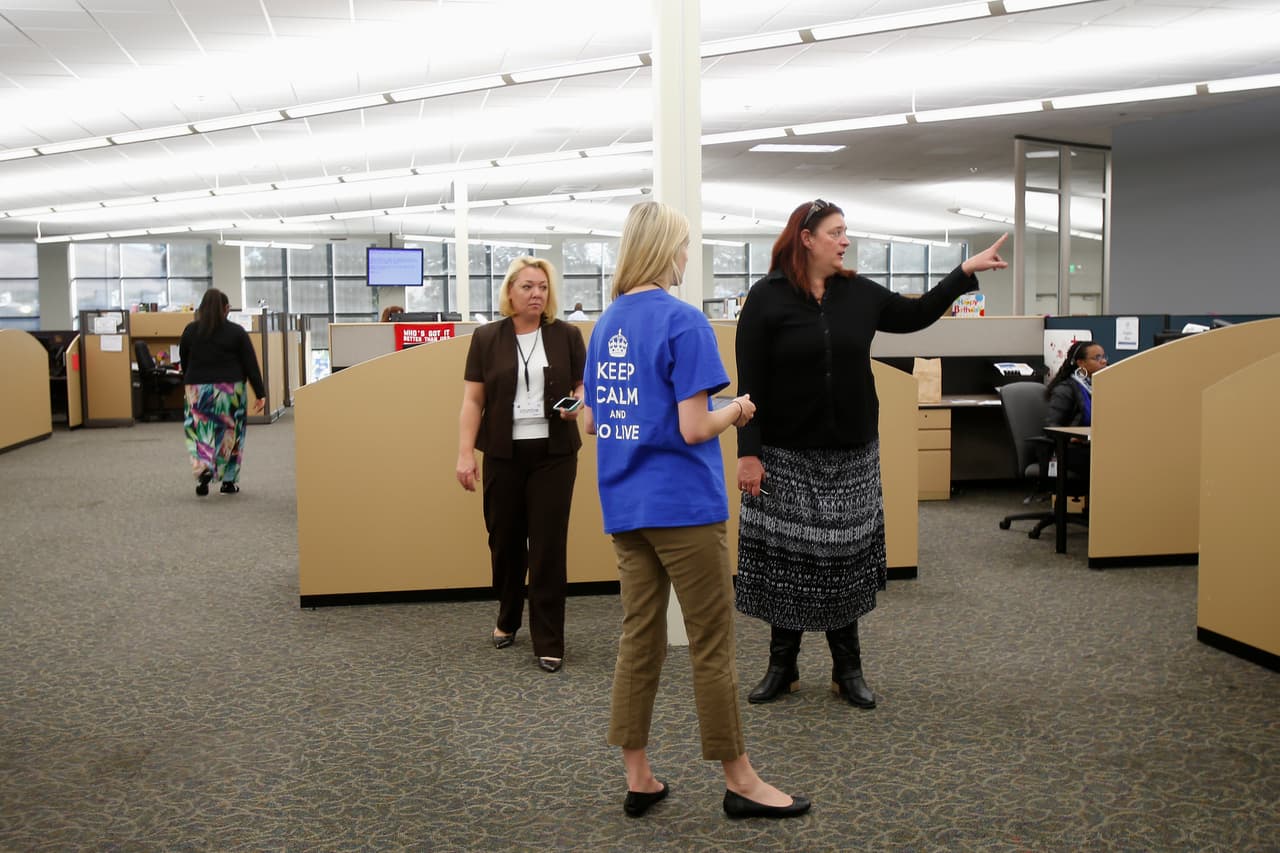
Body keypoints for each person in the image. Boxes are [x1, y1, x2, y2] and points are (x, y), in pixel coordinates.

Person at [734, 199, 1009, 709]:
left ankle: (847, 667)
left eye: (846, 232)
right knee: (789, 561)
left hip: (850, 451)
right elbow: (750, 385)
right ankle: (782, 665)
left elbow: (915, 314)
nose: (845, 241)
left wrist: (964, 272)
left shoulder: (857, 293)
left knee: (843, 558)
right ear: (806, 238)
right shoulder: (766, 298)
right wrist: (748, 454)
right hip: (785, 452)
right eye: (836, 232)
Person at [583, 201, 809, 820]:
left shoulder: (607, 326)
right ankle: (741, 780)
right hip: (683, 506)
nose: (688, 257)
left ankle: (640, 776)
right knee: (711, 643)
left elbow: (597, 420)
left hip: (626, 505)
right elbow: (692, 427)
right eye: (684, 246)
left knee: (640, 638)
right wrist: (737, 410)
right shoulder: (685, 323)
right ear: (665, 251)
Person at [456, 257, 585, 673]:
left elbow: (582, 386)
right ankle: (508, 613)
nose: (536, 295)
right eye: (528, 287)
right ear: (509, 292)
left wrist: (580, 403)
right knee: (504, 541)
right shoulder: (486, 338)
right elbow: (473, 401)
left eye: (543, 288)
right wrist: (464, 454)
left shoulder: (566, 335)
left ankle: (549, 639)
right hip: (503, 454)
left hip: (554, 454)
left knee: (548, 548)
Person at [179, 288, 267, 497]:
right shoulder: (236, 332)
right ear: (226, 309)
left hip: (197, 387)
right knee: (232, 432)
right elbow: (250, 364)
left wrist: (191, 381)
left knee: (198, 430)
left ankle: (204, 467)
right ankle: (228, 481)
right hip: (230, 388)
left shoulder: (190, 330)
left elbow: (184, 360)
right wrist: (260, 392)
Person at [1045, 340, 1106, 478]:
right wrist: (1072, 437)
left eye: (1103, 357)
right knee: (1107, 462)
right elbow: (1051, 427)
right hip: (1071, 450)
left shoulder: (1101, 387)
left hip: (1094, 445)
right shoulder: (1065, 390)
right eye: (1097, 358)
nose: (1103, 361)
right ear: (1080, 363)